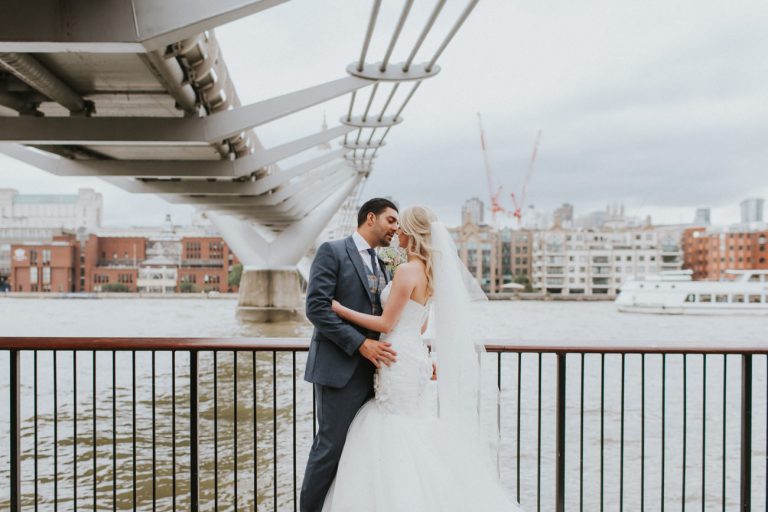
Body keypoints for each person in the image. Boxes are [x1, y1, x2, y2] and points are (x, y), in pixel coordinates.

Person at [321, 205, 522, 511]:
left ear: (412, 232)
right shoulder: (428, 271)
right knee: (412, 423)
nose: (397, 231)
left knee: (394, 427)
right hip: (413, 356)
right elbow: (421, 324)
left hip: (397, 358)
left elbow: (387, 325)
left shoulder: (406, 270)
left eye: (401, 226)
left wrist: (339, 308)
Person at [300, 198, 400, 512]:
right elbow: (316, 308)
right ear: (370, 218)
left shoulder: (385, 263)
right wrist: (360, 344)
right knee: (330, 448)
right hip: (338, 370)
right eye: (391, 221)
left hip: (375, 374)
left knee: (363, 449)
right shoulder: (332, 251)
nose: (396, 229)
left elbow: (388, 318)